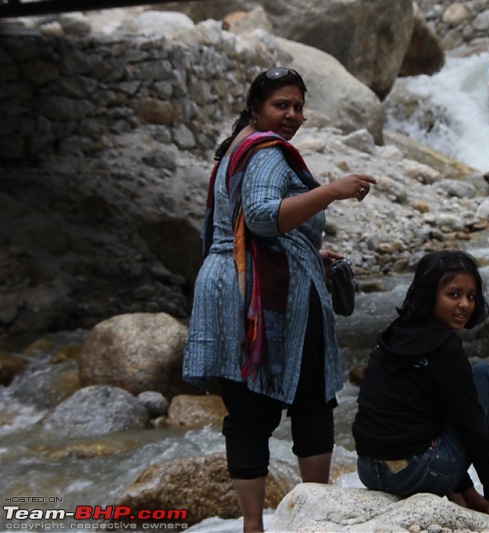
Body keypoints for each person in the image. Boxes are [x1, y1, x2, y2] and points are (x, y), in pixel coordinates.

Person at [182, 66, 376, 532]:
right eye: (281, 105)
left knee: (247, 414)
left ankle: (253, 525)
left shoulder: (235, 147)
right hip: (267, 293)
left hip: (225, 281)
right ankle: (318, 516)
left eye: (297, 106)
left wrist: (310, 249)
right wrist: (333, 190)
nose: (292, 115)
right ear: (256, 108)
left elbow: (237, 225)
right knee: (312, 401)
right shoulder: (268, 151)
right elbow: (265, 217)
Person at [352, 250, 489, 526]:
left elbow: (432, 418)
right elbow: (472, 428)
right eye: (454, 295)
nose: (465, 304)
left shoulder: (394, 332)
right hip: (413, 473)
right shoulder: (444, 347)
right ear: (430, 295)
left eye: (471, 296)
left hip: (368, 468)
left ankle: (470, 498)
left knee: (443, 407)